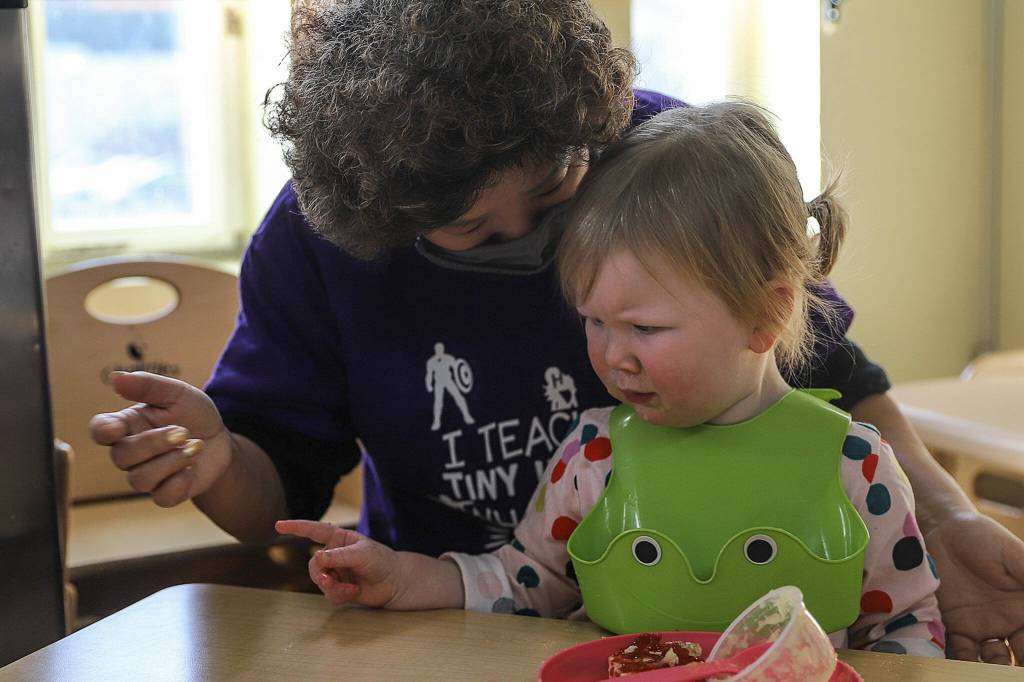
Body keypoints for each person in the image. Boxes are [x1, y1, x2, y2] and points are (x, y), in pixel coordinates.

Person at [88, 0, 1024, 664]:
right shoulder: (320, 237)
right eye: (471, 231)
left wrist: (942, 523)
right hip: (454, 616)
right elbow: (277, 485)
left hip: (707, 623)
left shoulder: (661, 164)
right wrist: (213, 462)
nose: (535, 246)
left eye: (557, 191)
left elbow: (829, 371)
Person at [276, 102, 945, 656]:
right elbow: (525, 581)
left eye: (644, 330)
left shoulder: (854, 466)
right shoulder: (593, 456)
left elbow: (908, 625)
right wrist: (404, 576)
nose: (611, 356)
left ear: (766, 314)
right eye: (594, 322)